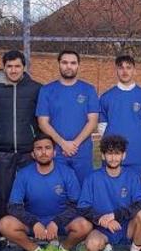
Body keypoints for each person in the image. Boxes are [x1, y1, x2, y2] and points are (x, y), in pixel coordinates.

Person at [0, 134, 93, 251]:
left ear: (54, 152)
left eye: (47, 148)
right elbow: (14, 206)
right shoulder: (24, 174)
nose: (43, 152)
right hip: (34, 223)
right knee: (4, 224)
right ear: (33, 154)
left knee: (85, 226)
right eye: (39, 148)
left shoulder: (67, 173)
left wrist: (57, 222)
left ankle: (63, 249)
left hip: (61, 222)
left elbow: (76, 204)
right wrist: (34, 222)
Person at [0, 50, 41, 251]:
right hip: (2, 152)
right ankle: (3, 239)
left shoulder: (35, 89)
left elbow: (39, 118)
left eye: (17, 66)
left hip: (28, 152)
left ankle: (34, 235)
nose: (13, 70)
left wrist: (35, 141)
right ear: (4, 67)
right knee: (2, 195)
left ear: (23, 67)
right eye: (9, 66)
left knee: (30, 195)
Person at [76, 135, 141, 251]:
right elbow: (83, 207)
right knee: (92, 245)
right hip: (102, 228)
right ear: (103, 156)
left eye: (117, 154)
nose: (113, 158)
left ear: (124, 155)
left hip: (127, 227)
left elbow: (140, 203)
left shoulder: (132, 176)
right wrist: (103, 220)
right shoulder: (92, 178)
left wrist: (115, 215)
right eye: (109, 154)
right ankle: (106, 249)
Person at [37, 50, 100, 184]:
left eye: (73, 63)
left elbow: (93, 120)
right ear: (59, 64)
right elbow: (43, 122)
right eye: (65, 62)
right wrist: (63, 144)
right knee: (57, 191)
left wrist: (74, 144)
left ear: (78, 66)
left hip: (82, 152)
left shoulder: (88, 89)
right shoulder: (47, 90)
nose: (69, 66)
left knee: (84, 191)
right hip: (57, 152)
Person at [97, 55, 141, 184]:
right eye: (121, 68)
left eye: (128, 68)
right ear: (116, 71)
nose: (125, 71)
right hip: (113, 156)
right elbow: (102, 127)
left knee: (138, 195)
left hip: (138, 156)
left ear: (134, 70)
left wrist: (138, 142)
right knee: (112, 191)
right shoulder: (106, 97)